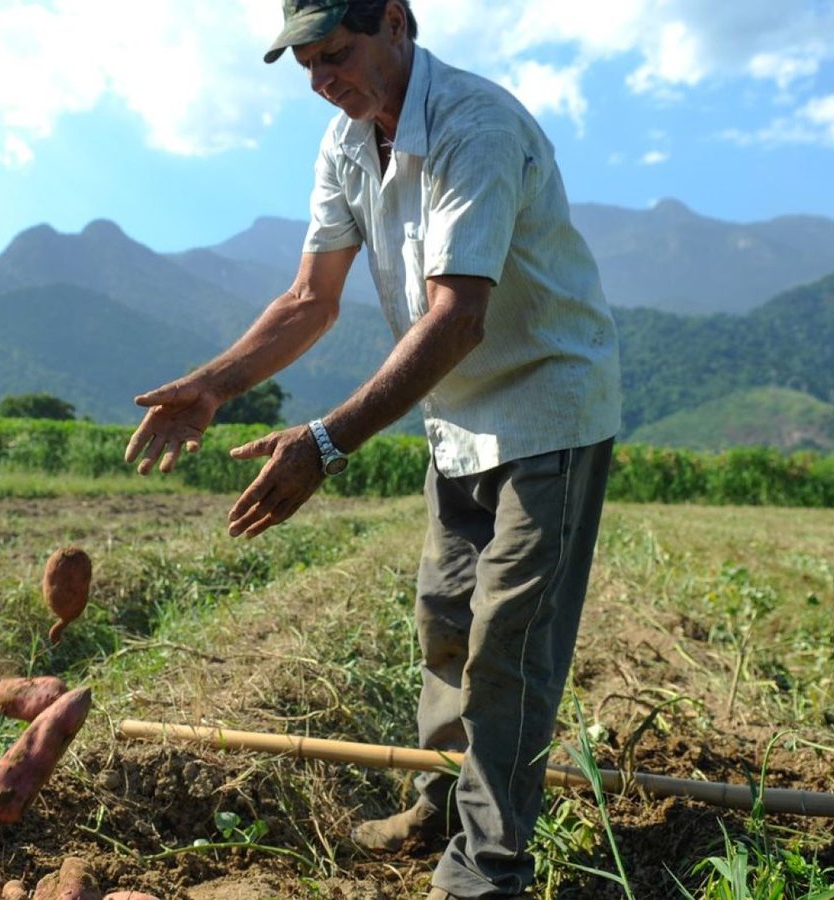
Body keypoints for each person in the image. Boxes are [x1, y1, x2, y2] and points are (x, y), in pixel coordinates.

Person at [123, 1, 622, 896]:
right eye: (309, 65)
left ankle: (485, 870)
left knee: (509, 645)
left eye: (337, 54)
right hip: (456, 419)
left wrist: (325, 442)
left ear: (396, 22)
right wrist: (213, 385)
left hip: (548, 407)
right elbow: (311, 298)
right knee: (444, 622)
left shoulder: (477, 125)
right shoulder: (349, 141)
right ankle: (441, 804)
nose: (323, 82)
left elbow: (459, 316)